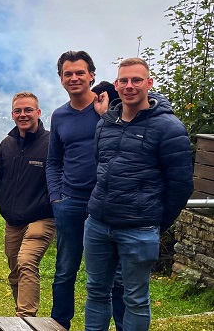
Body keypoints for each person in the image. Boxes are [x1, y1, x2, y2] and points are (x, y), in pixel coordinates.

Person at [84, 58, 193, 331]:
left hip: (139, 228)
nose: (129, 86)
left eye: (136, 80)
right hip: (98, 224)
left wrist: (154, 223)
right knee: (96, 291)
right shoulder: (105, 123)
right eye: (123, 80)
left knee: (135, 299)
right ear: (116, 84)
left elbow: (181, 186)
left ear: (149, 83)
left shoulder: (169, 128)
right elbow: (101, 166)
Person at [46, 50, 124, 330]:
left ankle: (122, 325)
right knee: (65, 271)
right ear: (61, 79)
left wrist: (106, 116)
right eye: (68, 74)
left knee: (114, 275)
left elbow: (124, 146)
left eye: (80, 72)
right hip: (70, 202)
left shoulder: (110, 109)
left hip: (105, 204)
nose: (74, 78)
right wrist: (56, 197)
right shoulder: (60, 116)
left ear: (92, 75)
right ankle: (60, 324)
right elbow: (53, 161)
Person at [0, 93, 55, 317]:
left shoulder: (51, 143)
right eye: (18, 111)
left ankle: (26, 319)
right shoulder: (7, 145)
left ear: (38, 113)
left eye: (28, 110)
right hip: (13, 220)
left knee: (26, 261)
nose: (23, 115)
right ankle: (23, 317)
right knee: (15, 272)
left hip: (42, 217)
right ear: (12, 115)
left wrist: (49, 202)